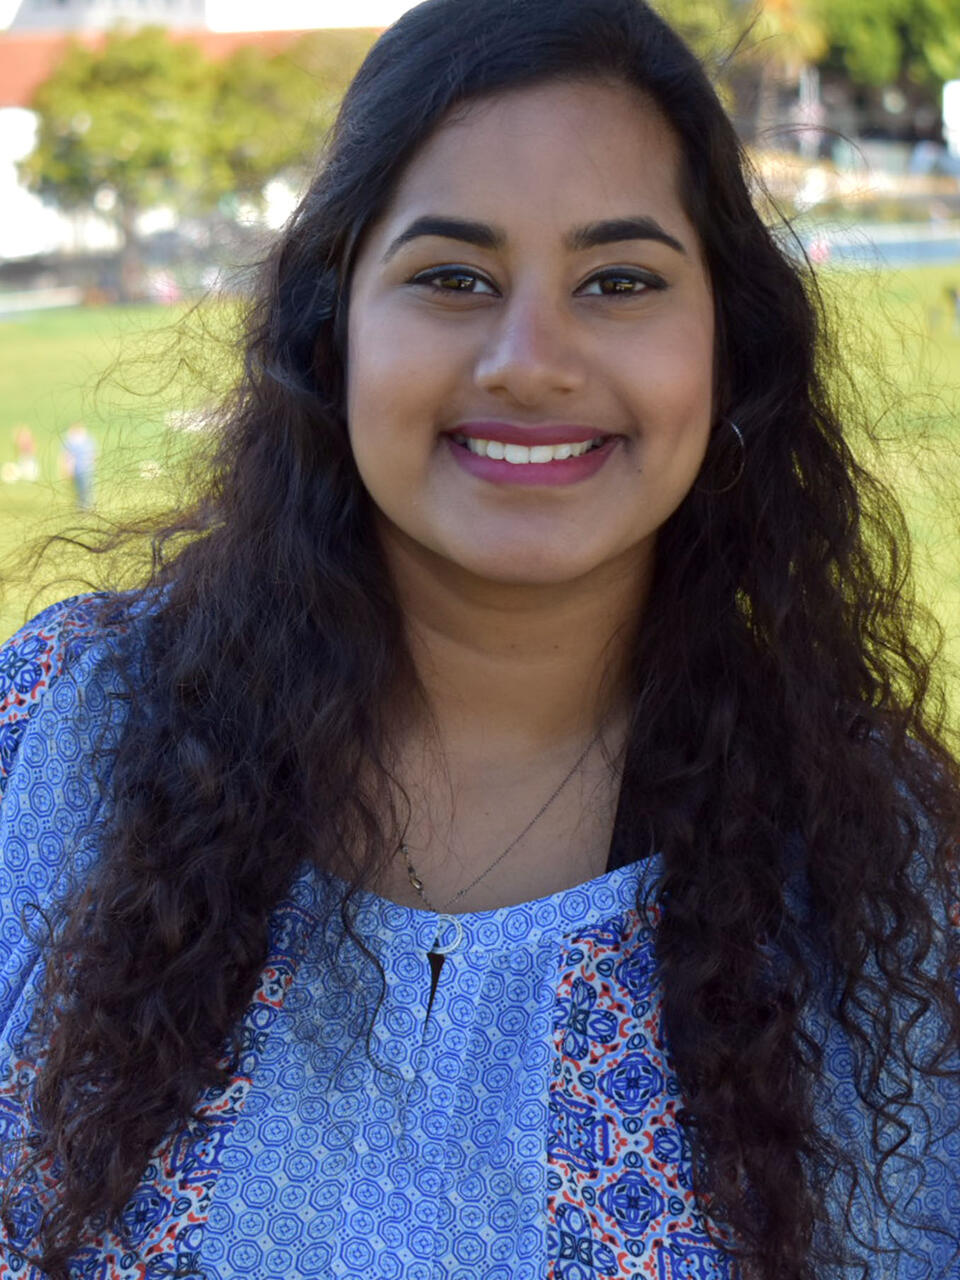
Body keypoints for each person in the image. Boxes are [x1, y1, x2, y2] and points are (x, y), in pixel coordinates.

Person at [0, 1, 958, 1277]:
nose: (530, 360)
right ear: (331, 327)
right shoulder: (62, 730)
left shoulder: (887, 868)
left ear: (730, 346)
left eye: (620, 280)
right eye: (453, 277)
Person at [58, 422, 96, 509]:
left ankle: (86, 507)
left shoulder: (87, 440)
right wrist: (66, 469)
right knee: (79, 490)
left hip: (86, 469)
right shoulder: (71, 441)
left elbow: (92, 455)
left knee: (86, 489)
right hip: (77, 470)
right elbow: (66, 456)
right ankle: (82, 507)